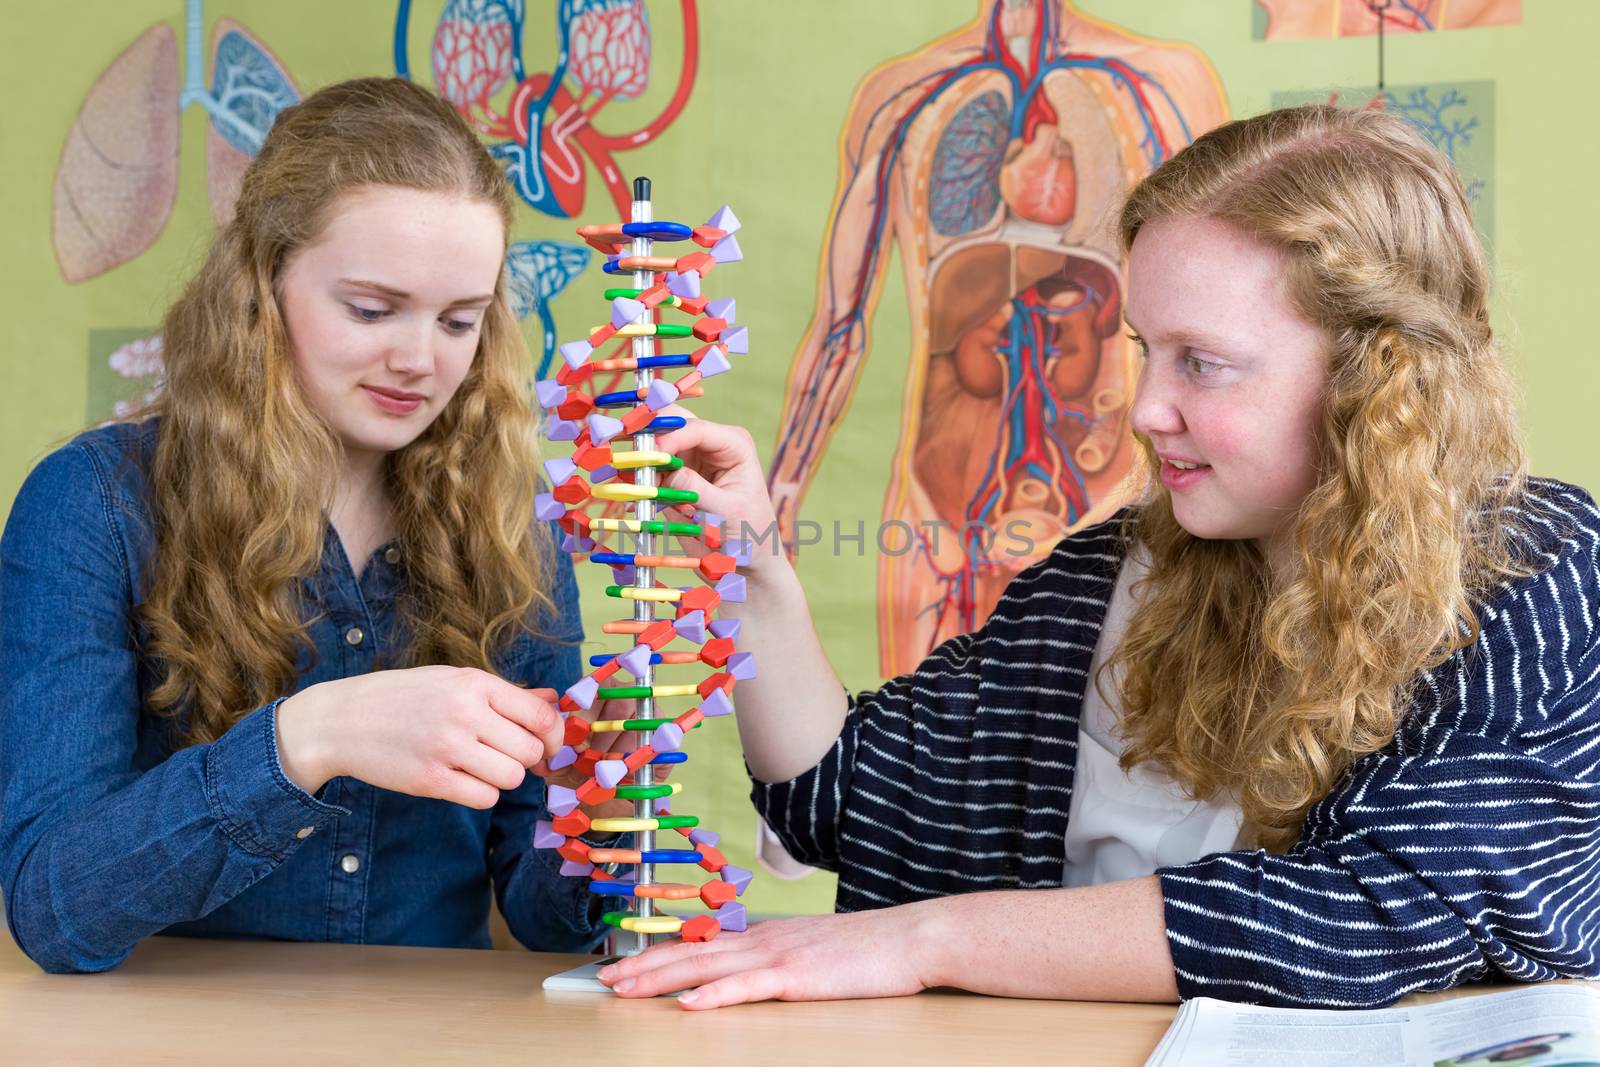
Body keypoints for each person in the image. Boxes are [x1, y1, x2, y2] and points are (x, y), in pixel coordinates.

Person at [593, 104, 1600, 1010]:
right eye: (1143, 349)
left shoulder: (1533, 572)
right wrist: (753, 572)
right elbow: (848, 801)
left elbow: (1373, 909)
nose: (1146, 409)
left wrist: (927, 940)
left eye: (1200, 362)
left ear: (1369, 379)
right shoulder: (1104, 578)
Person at [0, 77, 626, 973]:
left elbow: (542, 917)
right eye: (371, 309)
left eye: (459, 321)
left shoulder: (512, 529)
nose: (418, 359)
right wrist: (310, 735)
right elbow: (57, 909)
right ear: (264, 284)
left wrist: (598, 814)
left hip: (430, 1043)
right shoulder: (93, 508)